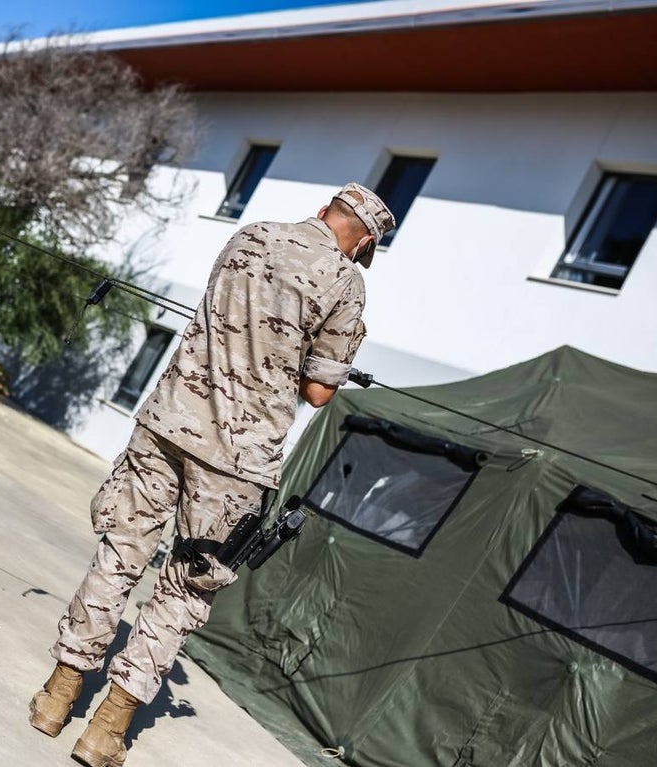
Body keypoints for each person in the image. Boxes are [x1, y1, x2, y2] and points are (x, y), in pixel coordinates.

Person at [30, 184, 396, 766]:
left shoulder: (250, 234)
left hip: (167, 420)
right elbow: (320, 391)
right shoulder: (346, 283)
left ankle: (58, 695)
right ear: (366, 240)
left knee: (120, 551)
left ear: (327, 208)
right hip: (237, 457)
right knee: (185, 588)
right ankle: (106, 731)